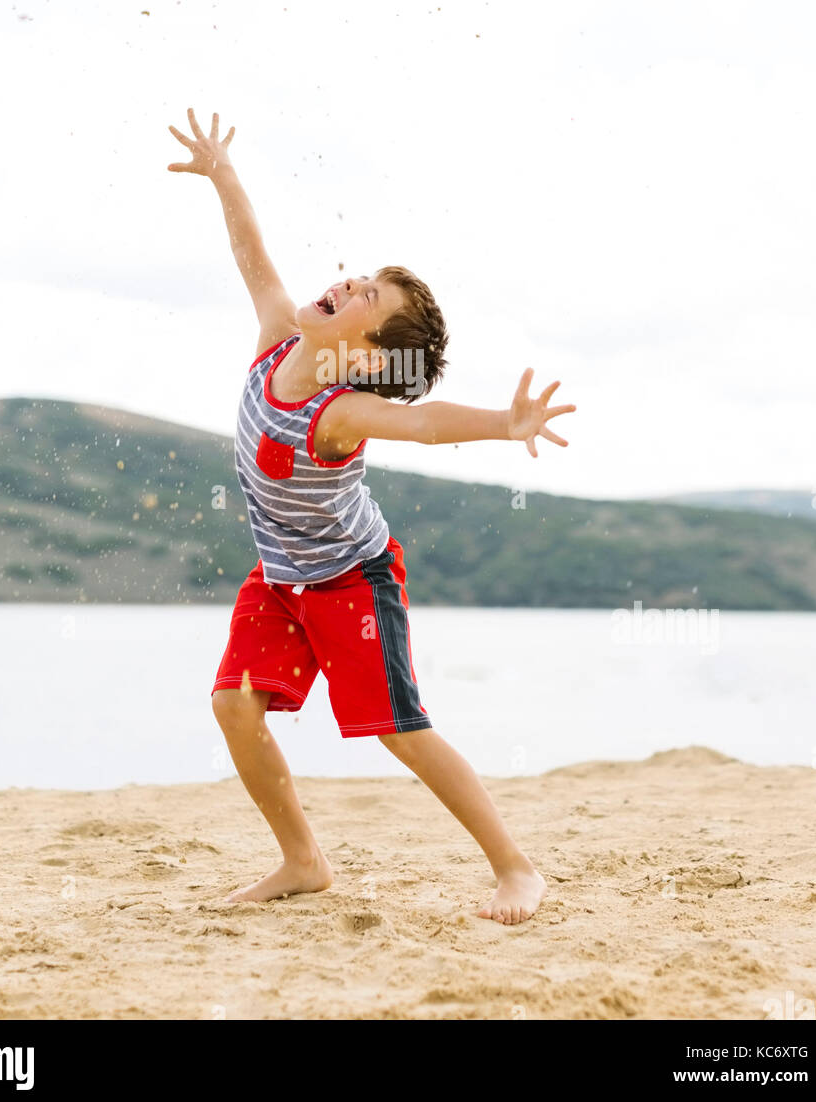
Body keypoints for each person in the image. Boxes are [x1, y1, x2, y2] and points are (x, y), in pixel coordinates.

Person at [168, 109, 576, 924]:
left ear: (365, 355)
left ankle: (516, 868)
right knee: (232, 702)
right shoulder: (277, 335)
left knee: (398, 728)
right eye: (359, 278)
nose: (349, 283)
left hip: (352, 580)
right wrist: (223, 174)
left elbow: (424, 423)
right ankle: (302, 860)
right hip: (281, 576)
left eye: (368, 297)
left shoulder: (342, 410)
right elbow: (253, 257)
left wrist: (504, 423)